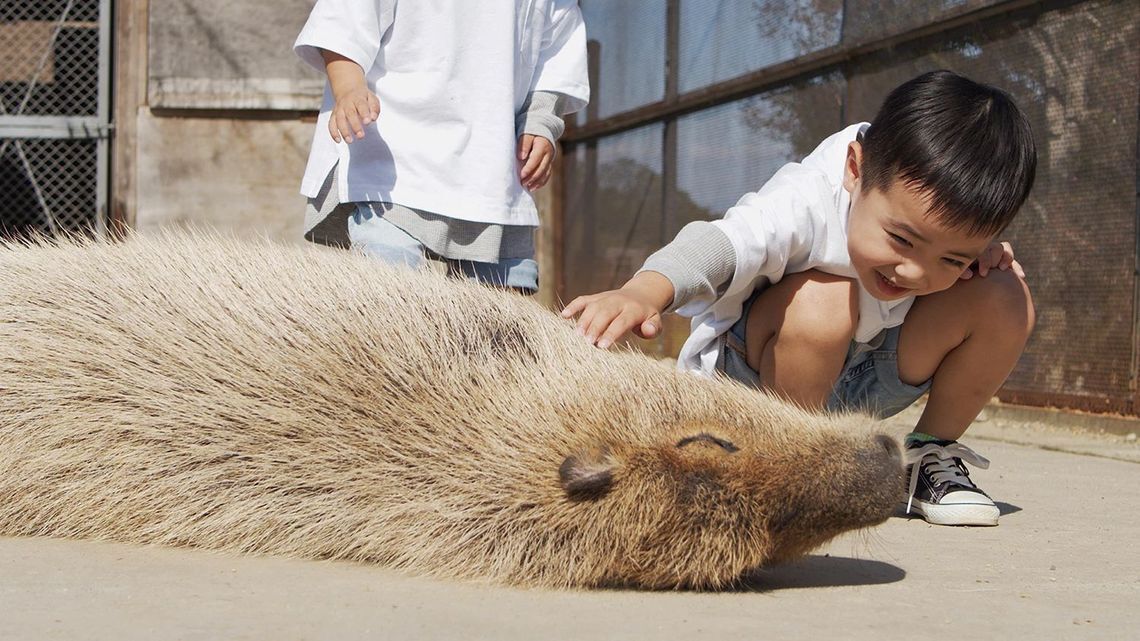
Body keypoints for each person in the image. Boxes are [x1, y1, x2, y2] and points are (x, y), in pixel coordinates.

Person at [562, 70, 1037, 527]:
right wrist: (644, 290)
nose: (915, 271)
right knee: (823, 301)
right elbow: (723, 243)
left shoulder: (932, 245)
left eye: (951, 258)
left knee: (1003, 292)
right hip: (753, 384)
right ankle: (782, 466)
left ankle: (928, 455)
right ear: (856, 169)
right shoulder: (806, 198)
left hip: (861, 376)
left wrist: (972, 264)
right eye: (902, 239)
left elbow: (950, 257)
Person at [294, 0, 590, 293]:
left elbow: (555, 59)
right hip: (395, 158)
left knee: (498, 310)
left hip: (493, 167)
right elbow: (345, 21)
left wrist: (540, 122)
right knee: (390, 287)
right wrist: (349, 87)